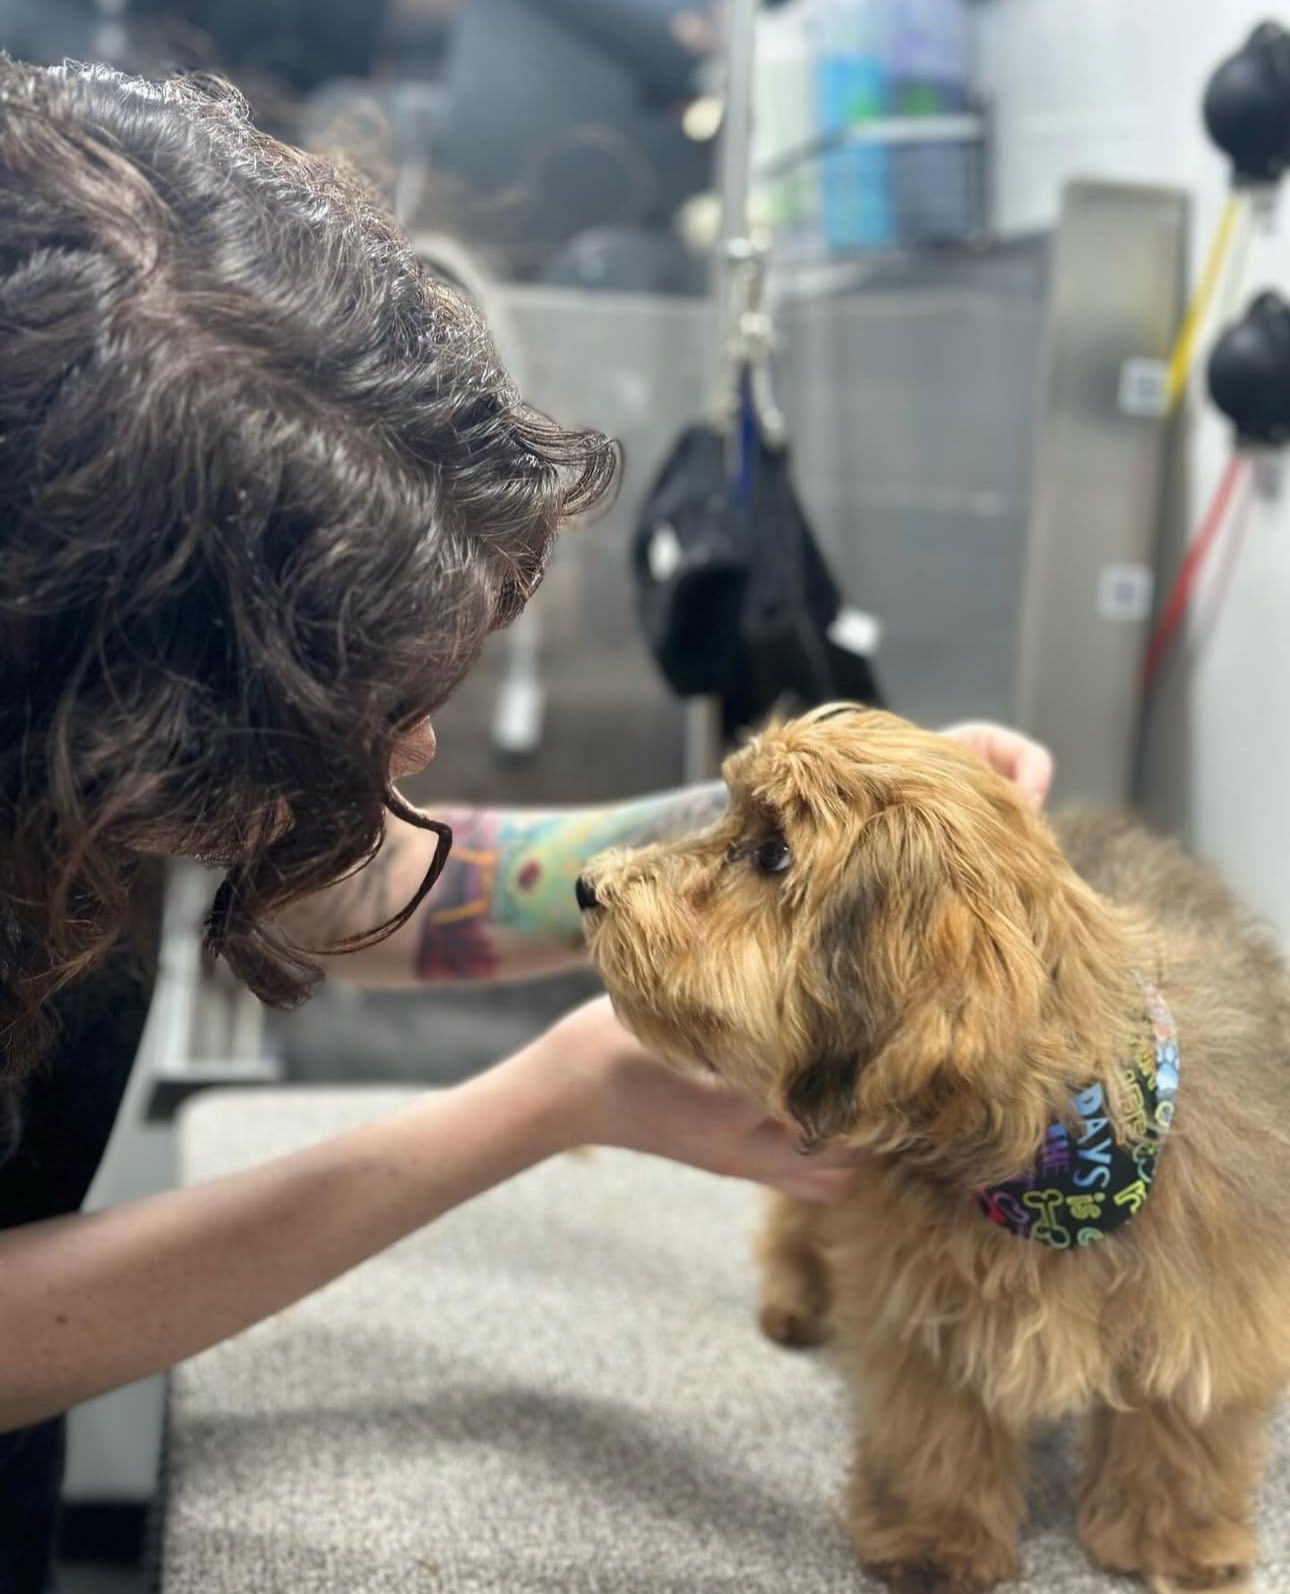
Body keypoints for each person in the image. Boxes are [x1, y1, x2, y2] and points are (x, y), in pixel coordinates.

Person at [0, 59, 1054, 1590]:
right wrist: (535, 1103)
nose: (412, 750)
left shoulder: (82, 725)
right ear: (88, 686)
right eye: (355, 714)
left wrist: (757, 831)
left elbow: (358, 882)